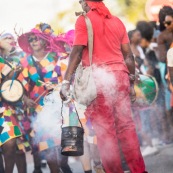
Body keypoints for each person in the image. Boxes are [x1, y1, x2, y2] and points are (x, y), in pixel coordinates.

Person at [60, 0, 147, 173]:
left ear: (86, 2)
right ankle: (139, 170)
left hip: (99, 80)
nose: (80, 4)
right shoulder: (117, 21)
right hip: (121, 77)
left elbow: (76, 53)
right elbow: (129, 56)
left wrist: (65, 82)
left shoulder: (83, 21)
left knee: (106, 133)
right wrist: (130, 85)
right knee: (126, 127)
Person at [17, 23, 72, 173]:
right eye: (31, 39)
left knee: (64, 143)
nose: (33, 41)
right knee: (46, 144)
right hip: (37, 109)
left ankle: (64, 166)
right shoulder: (26, 61)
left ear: (45, 40)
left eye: (36, 38)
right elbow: (19, 85)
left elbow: (66, 77)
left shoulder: (56, 57)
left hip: (59, 106)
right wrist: (24, 98)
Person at [0, 32, 26, 173]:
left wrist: (12, 75)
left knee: (11, 145)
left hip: (5, 108)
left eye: (12, 38)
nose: (10, 40)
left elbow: (6, 88)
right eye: (6, 38)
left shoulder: (12, 60)